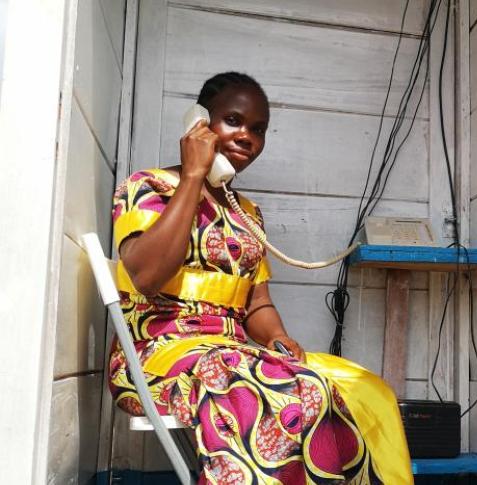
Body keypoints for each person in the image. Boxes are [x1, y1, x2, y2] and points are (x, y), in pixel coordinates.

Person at [109, 72, 411, 484]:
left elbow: (257, 303)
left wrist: (276, 337)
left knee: (360, 389)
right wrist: (194, 177)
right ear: (199, 122)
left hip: (234, 353)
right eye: (233, 120)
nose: (247, 136)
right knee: (265, 386)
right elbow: (146, 276)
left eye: (258, 129)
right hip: (158, 355)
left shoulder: (247, 214)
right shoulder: (147, 187)